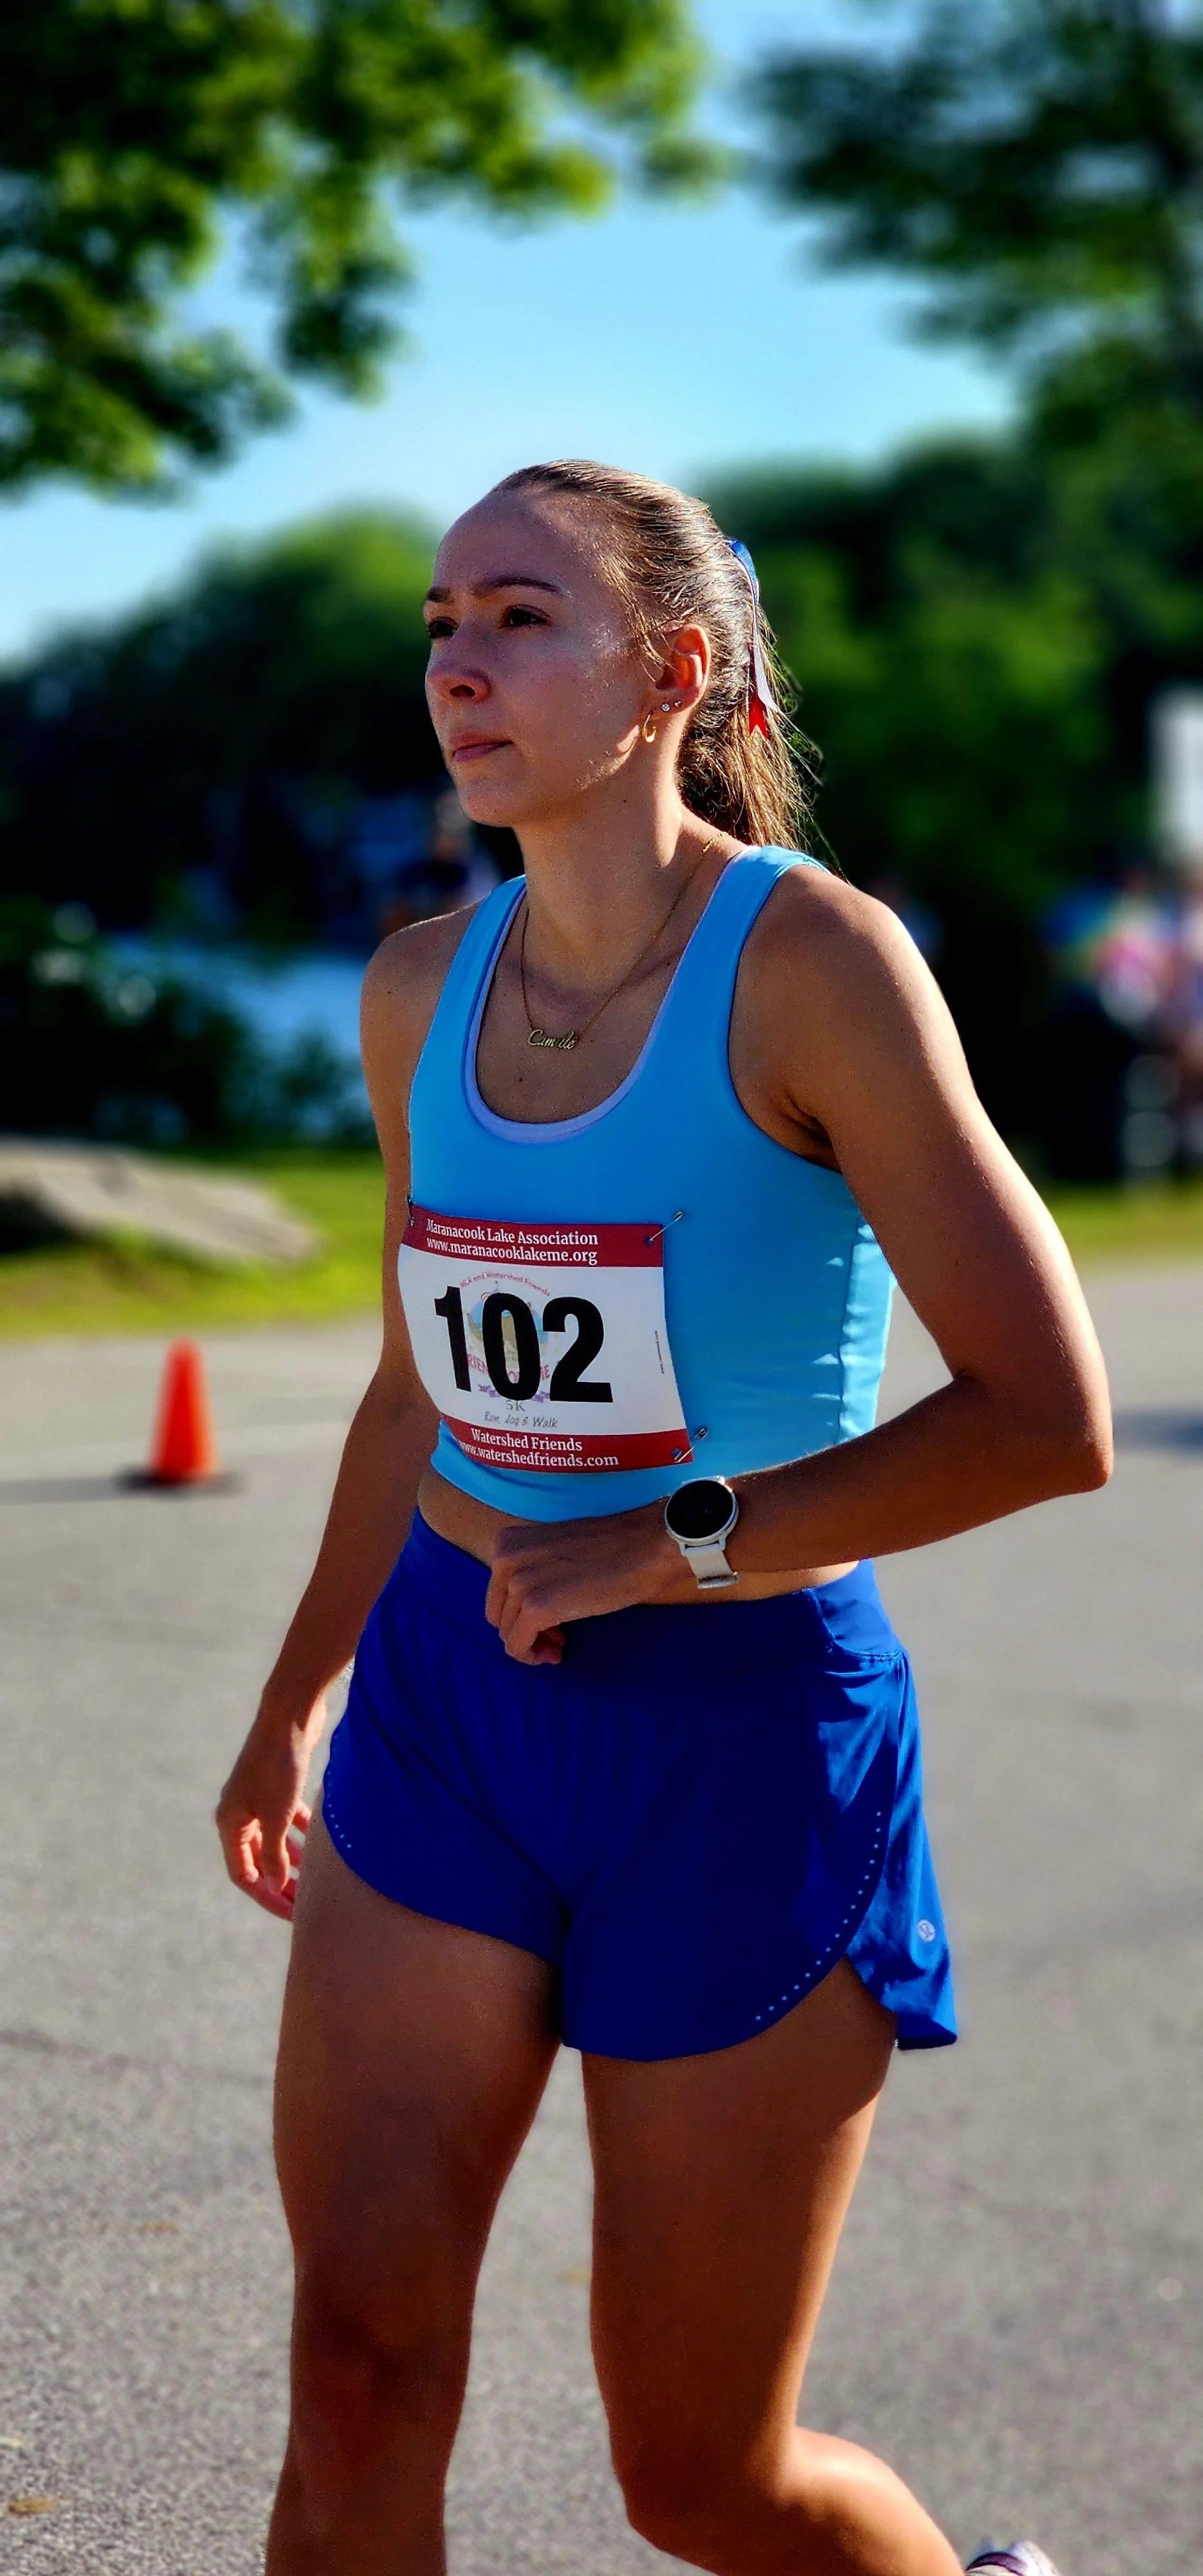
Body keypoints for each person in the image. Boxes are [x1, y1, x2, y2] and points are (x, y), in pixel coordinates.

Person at [217, 460, 1111, 2576]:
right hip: (453, 1708)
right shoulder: (420, 987)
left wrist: (665, 1541)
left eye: (520, 615)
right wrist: (293, 1695)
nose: (456, 659)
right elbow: (416, 1377)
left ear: (669, 675)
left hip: (736, 1735)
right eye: (440, 619)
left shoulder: (816, 967)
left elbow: (1045, 1415)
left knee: (699, 2483)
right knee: (355, 2374)